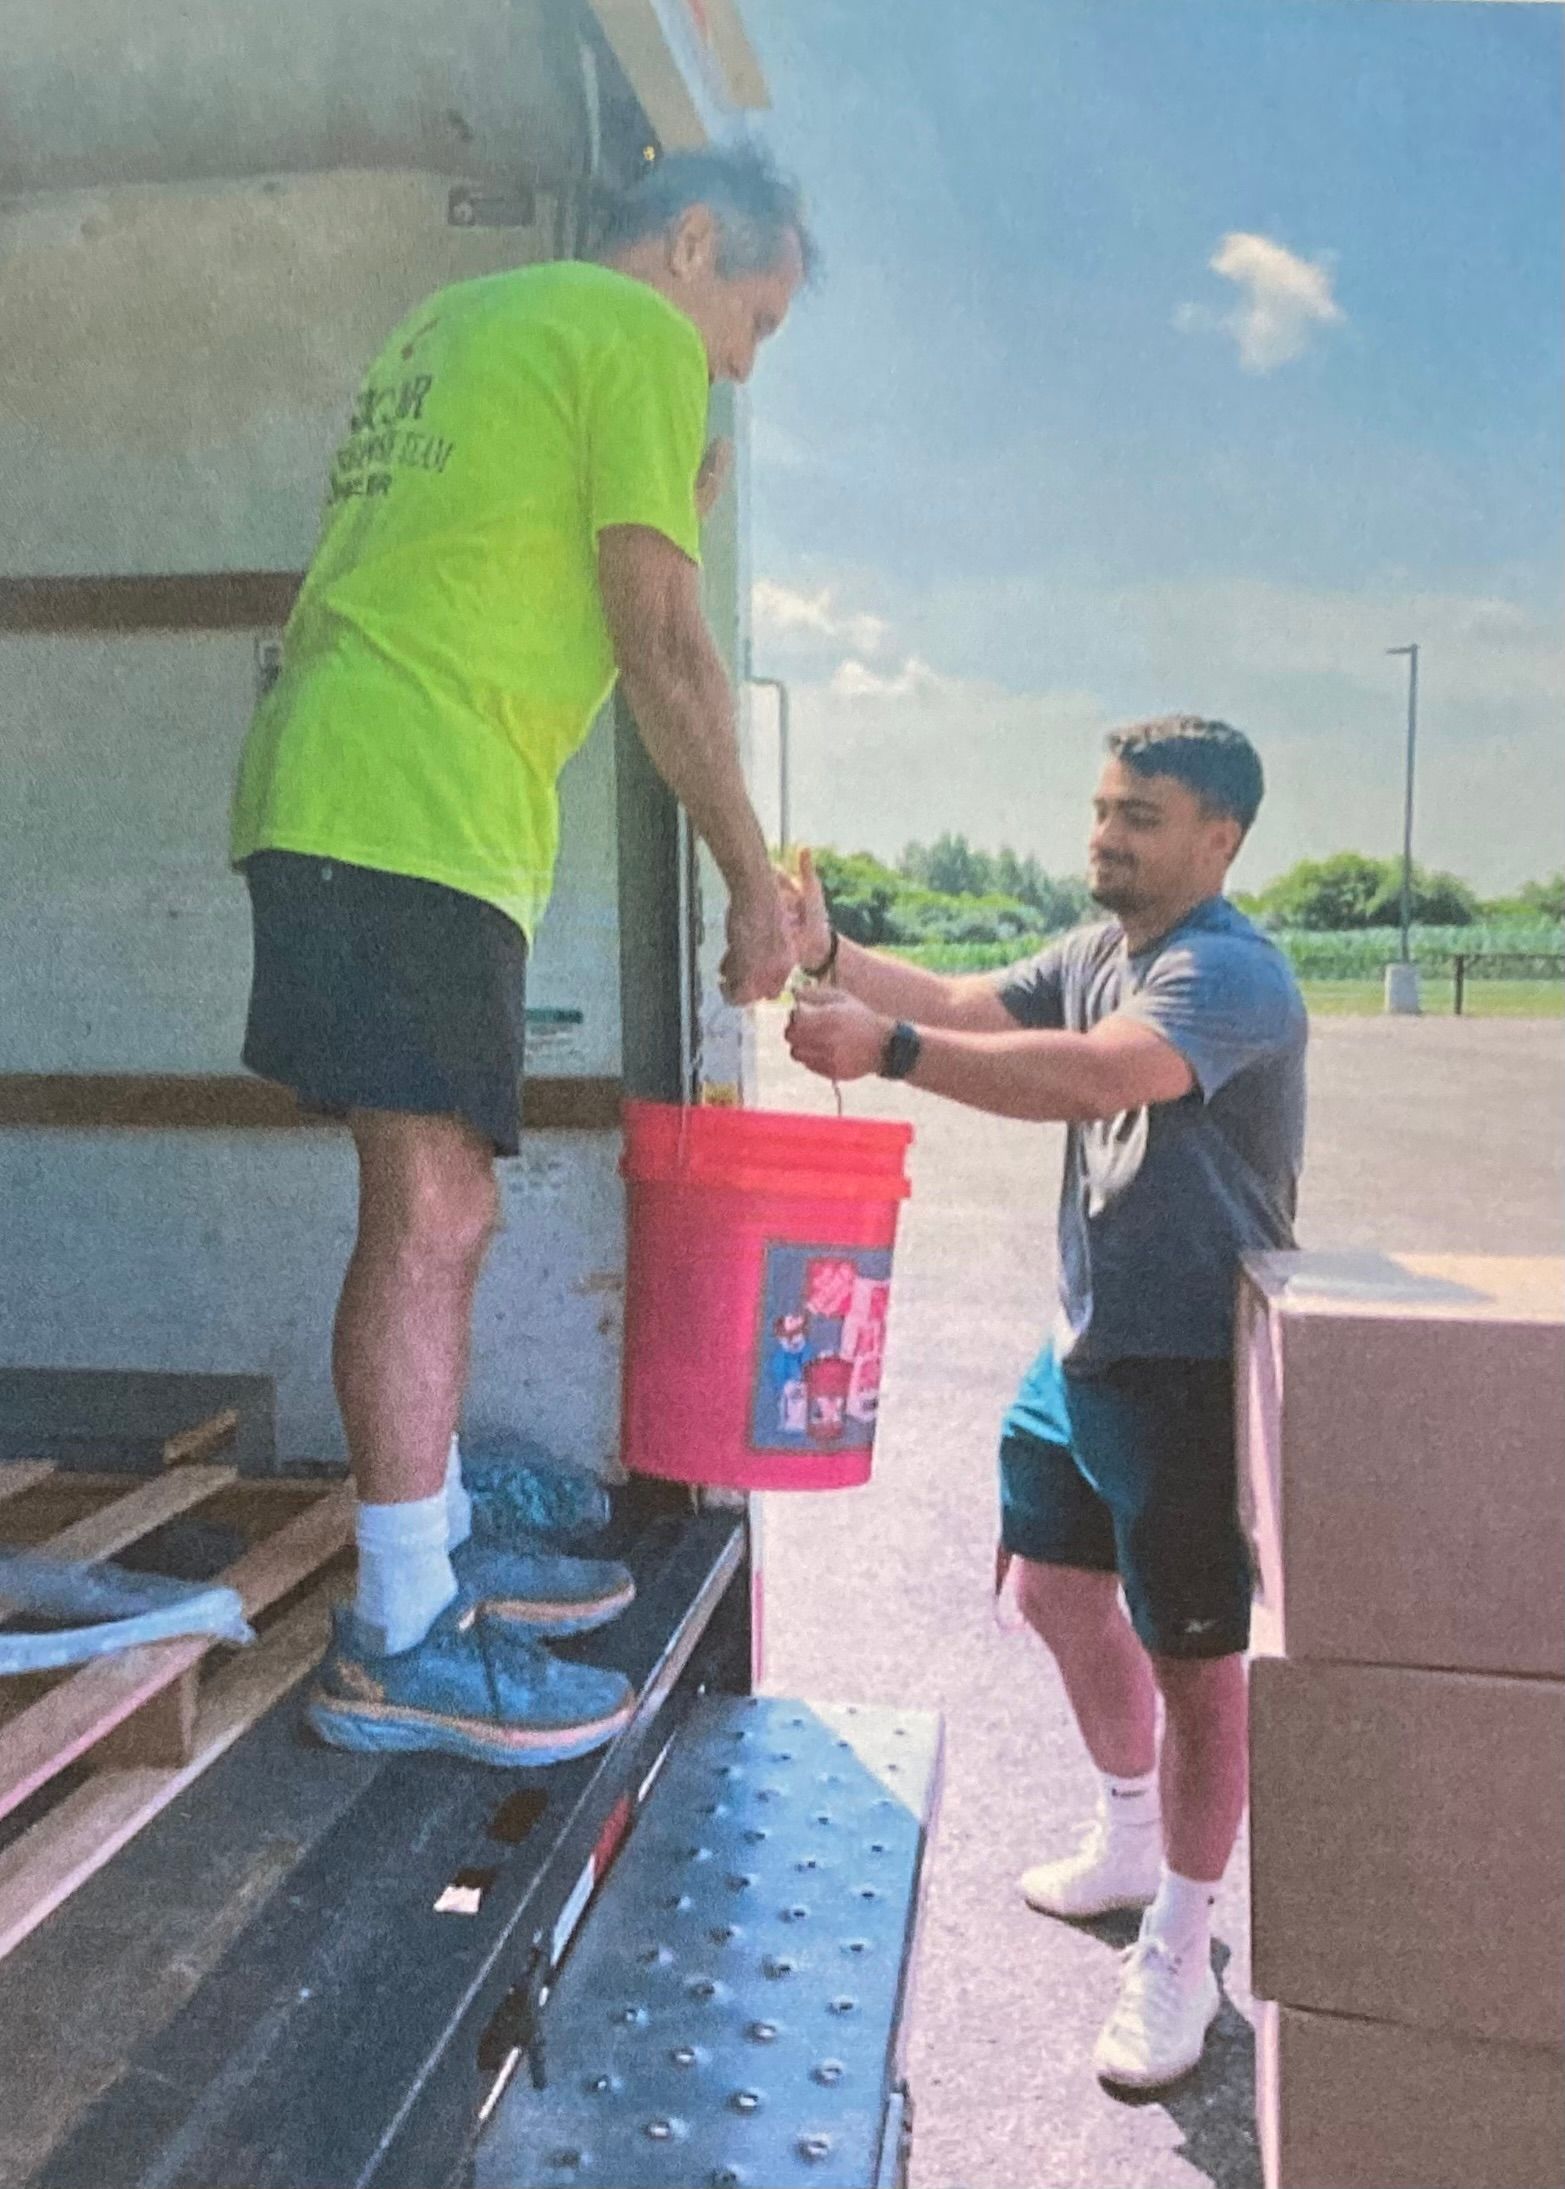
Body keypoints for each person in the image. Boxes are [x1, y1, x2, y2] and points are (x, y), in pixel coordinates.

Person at [230, 143, 814, 1766]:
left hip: (364, 788)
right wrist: (751, 882)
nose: (742, 365)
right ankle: (399, 1635)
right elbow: (662, 635)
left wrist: (660, 497)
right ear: (692, 245)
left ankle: (428, 1550)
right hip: (405, 803)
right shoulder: (631, 340)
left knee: (438, 1206)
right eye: (750, 316)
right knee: (432, 1208)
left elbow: (500, 553)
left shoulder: (472, 318)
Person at [781, 716, 1307, 2092]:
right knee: (1053, 1594)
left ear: (1218, 838)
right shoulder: (1094, 951)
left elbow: (1096, 1072)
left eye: (1138, 815)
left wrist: (880, 1048)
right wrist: (829, 954)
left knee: (1197, 1669)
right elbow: (965, 1001)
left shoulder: (1226, 973)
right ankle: (1128, 1834)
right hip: (1079, 1347)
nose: (1104, 836)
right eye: (1098, 809)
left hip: (1186, 1366)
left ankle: (1186, 1946)